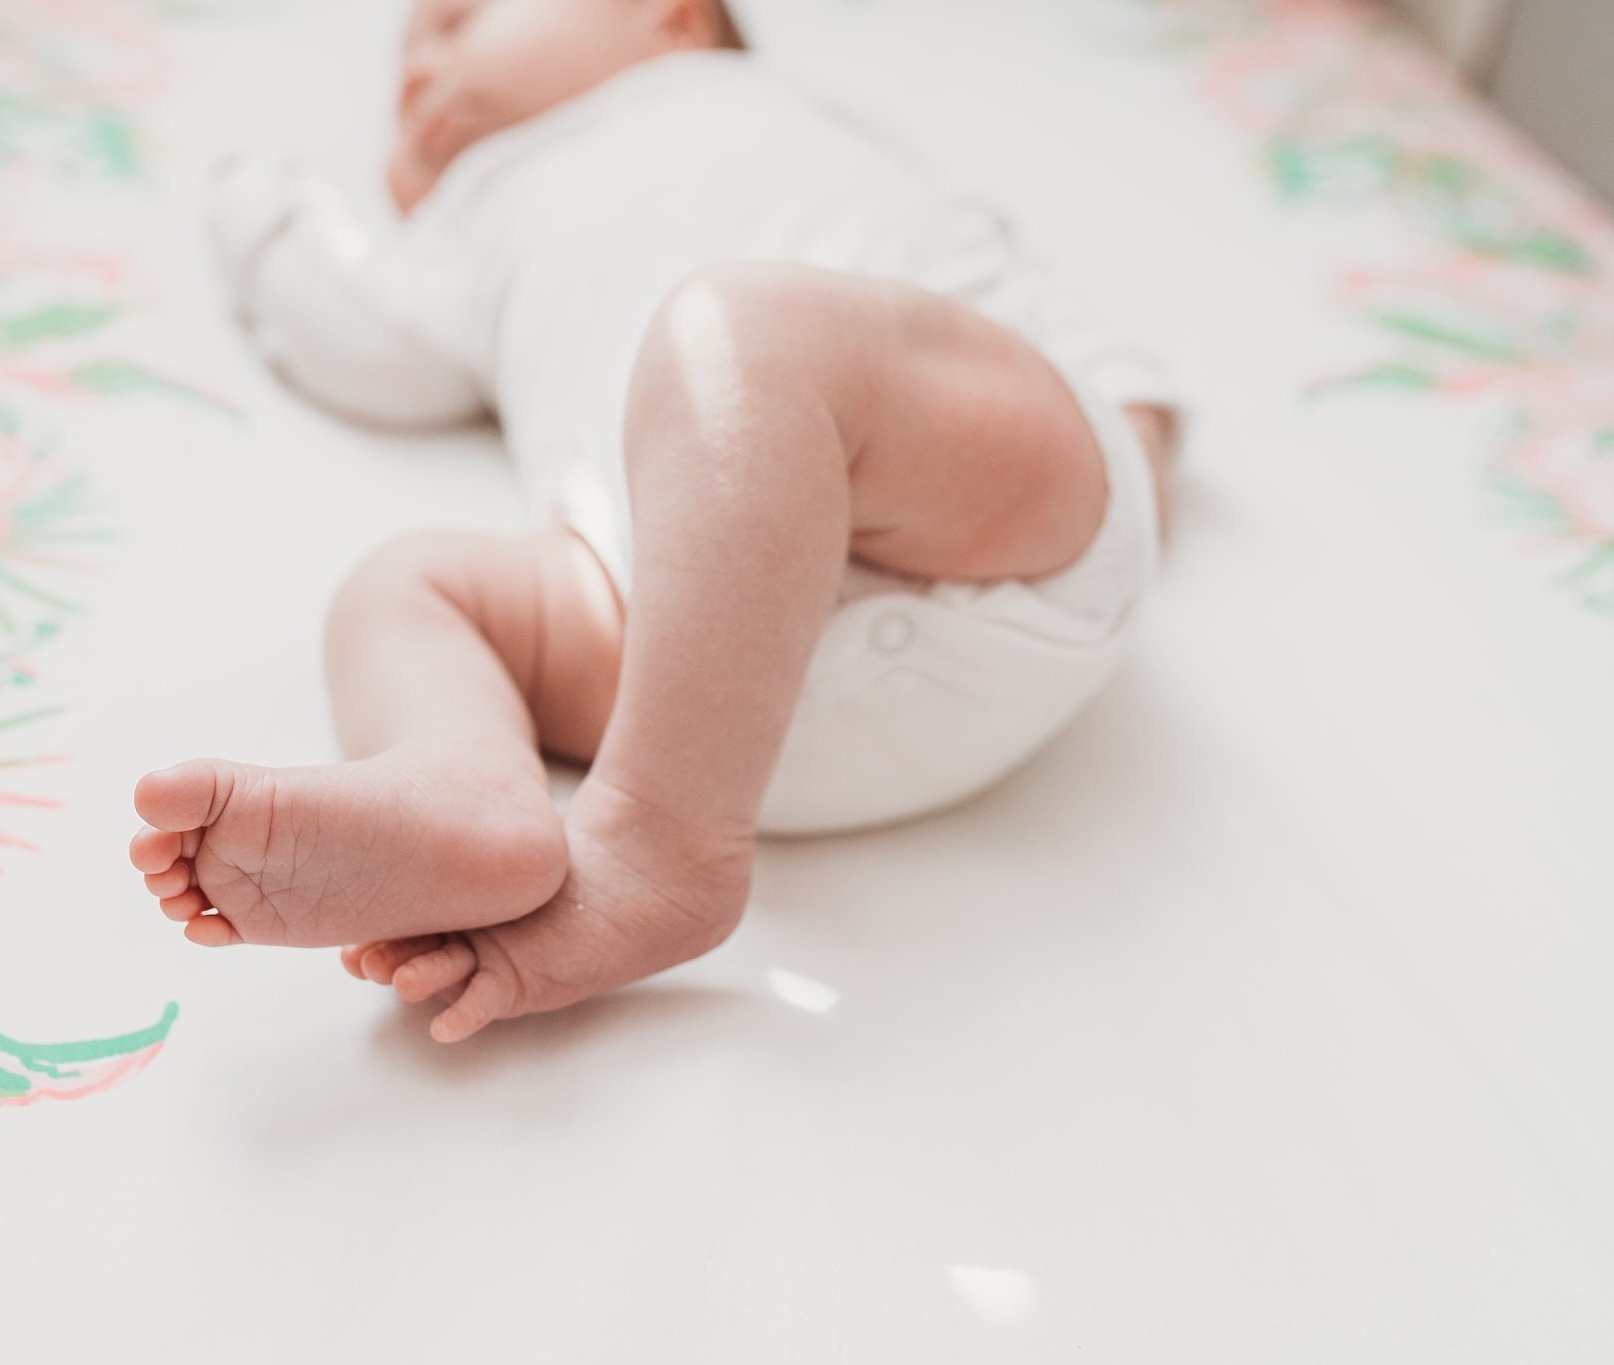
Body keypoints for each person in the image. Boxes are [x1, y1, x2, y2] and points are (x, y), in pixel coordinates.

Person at [128, 0, 1180, 1043]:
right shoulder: (475, 214)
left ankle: (659, 841)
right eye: (407, 64)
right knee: (403, 585)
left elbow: (1014, 283)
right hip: (676, 668)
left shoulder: (770, 108)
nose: (415, 72)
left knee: (738, 331)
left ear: (671, 19)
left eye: (458, 21)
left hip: (973, 534)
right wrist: (260, 209)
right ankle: (463, 784)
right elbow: (365, 343)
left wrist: (1120, 454)